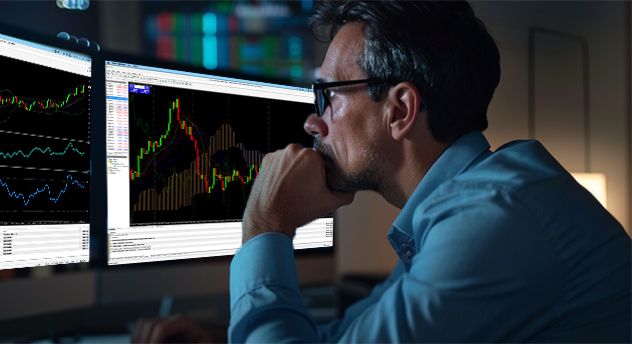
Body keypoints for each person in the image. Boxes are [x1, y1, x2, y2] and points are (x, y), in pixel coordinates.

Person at [132, 1, 632, 342]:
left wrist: (266, 225)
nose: (312, 120)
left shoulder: (497, 221)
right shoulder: (466, 209)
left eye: (328, 96)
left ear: (399, 110)